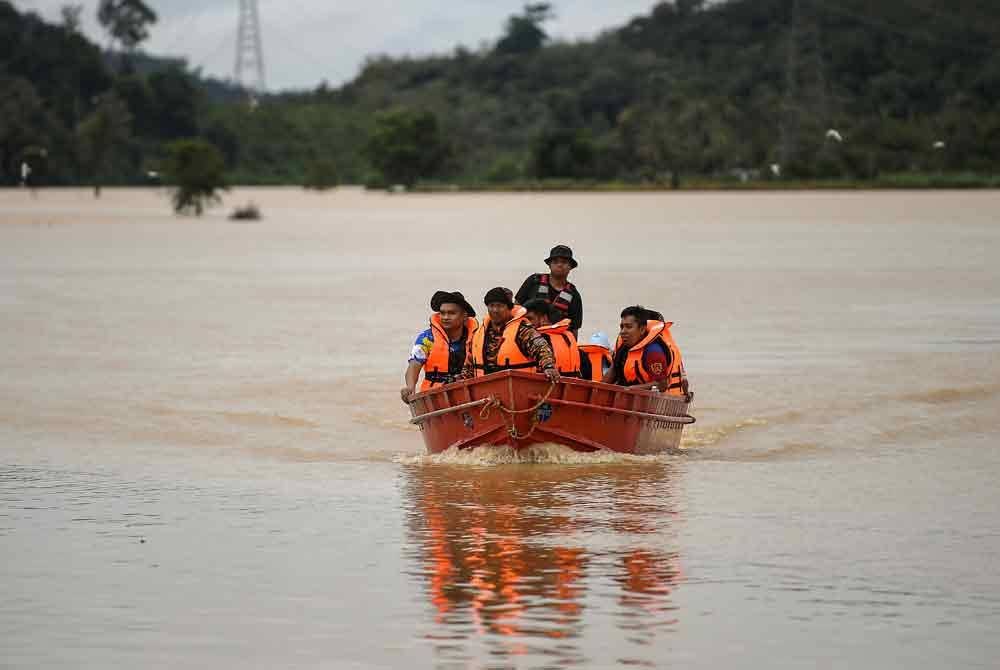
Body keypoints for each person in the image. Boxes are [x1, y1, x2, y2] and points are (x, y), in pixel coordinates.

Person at [461, 287, 560, 383]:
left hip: (517, 388)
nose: (495, 310)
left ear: (509, 308)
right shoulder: (478, 333)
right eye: (491, 305)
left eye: (500, 306)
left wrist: (548, 366)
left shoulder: (523, 330)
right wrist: (461, 379)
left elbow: (541, 347)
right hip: (485, 388)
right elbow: (469, 364)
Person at [401, 291, 479, 403]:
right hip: (435, 397)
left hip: (469, 394)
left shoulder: (478, 337)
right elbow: (414, 364)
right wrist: (410, 387)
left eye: (451, 313)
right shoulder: (427, 338)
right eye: (442, 313)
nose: (445, 317)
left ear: (464, 316)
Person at [603, 305, 690, 396]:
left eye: (628, 327)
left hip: (664, 399)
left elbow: (662, 384)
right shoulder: (623, 347)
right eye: (622, 327)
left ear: (642, 329)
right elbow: (613, 371)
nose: (623, 331)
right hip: (628, 395)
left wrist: (630, 390)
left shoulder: (653, 352)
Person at [515, 244, 583, 336]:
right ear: (549, 265)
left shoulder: (574, 295)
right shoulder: (533, 281)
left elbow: (574, 330)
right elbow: (516, 308)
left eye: (564, 262)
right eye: (555, 261)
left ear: (570, 267)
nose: (559, 265)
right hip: (527, 337)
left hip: (555, 343)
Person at [522, 299, 581, 377]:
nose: (526, 324)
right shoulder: (569, 338)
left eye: (530, 319)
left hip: (544, 384)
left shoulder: (535, 341)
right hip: (573, 384)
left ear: (544, 318)